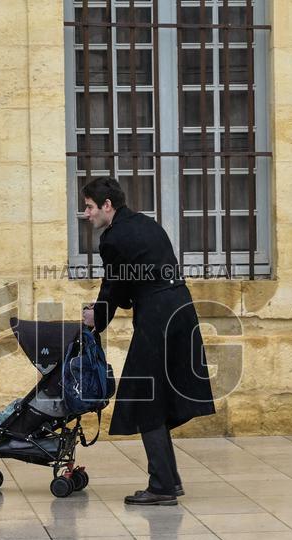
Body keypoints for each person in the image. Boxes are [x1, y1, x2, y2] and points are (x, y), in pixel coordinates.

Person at [80, 176, 215, 506]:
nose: (86, 214)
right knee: (159, 393)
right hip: (181, 310)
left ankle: (162, 486)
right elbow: (142, 275)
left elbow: (113, 287)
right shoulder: (146, 224)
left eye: (89, 207)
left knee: (145, 395)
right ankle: (170, 480)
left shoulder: (113, 238)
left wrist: (95, 319)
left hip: (157, 318)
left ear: (107, 206)